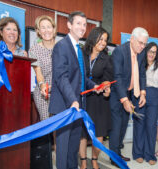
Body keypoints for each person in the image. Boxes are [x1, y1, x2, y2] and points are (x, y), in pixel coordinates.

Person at [49, 11, 98, 169]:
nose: (82, 27)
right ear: (69, 25)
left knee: (73, 149)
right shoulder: (61, 47)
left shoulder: (80, 50)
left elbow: (82, 78)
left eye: (84, 25)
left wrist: (95, 87)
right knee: (62, 150)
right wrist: (73, 100)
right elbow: (61, 77)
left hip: (78, 107)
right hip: (65, 106)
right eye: (78, 23)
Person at [109, 27, 148, 167]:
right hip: (116, 95)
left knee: (124, 125)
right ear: (132, 39)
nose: (142, 46)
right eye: (140, 43)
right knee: (116, 126)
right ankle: (114, 158)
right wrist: (124, 99)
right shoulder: (120, 51)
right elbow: (117, 77)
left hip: (130, 93)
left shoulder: (141, 53)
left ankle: (118, 153)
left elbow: (142, 73)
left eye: (144, 44)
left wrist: (143, 92)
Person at [79, 27, 113, 169]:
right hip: (83, 98)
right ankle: (83, 160)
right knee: (82, 133)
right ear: (93, 37)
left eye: (105, 40)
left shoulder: (107, 58)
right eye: (101, 38)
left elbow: (107, 79)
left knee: (99, 134)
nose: (103, 42)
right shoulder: (81, 53)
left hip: (99, 100)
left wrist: (106, 88)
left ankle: (94, 158)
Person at [29, 15, 56, 121]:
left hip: (60, 92)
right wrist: (42, 85)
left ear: (54, 29)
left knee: (60, 128)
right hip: (43, 93)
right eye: (42, 27)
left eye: (49, 27)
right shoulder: (34, 50)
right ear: (38, 31)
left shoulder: (61, 47)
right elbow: (38, 73)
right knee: (47, 124)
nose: (46, 30)